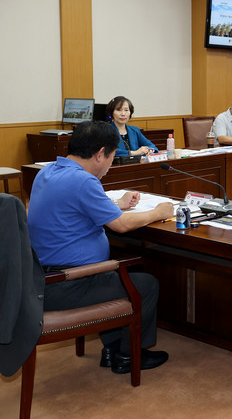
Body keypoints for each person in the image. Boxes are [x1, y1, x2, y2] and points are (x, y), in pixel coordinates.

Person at [27, 120, 174, 375]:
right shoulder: (83, 181)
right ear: (99, 154)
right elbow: (121, 225)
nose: (110, 165)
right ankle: (129, 356)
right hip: (67, 283)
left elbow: (73, 207)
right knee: (146, 285)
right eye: (112, 157)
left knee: (109, 275)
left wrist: (118, 204)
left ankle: (112, 349)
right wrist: (158, 212)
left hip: (42, 279)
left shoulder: (48, 171)